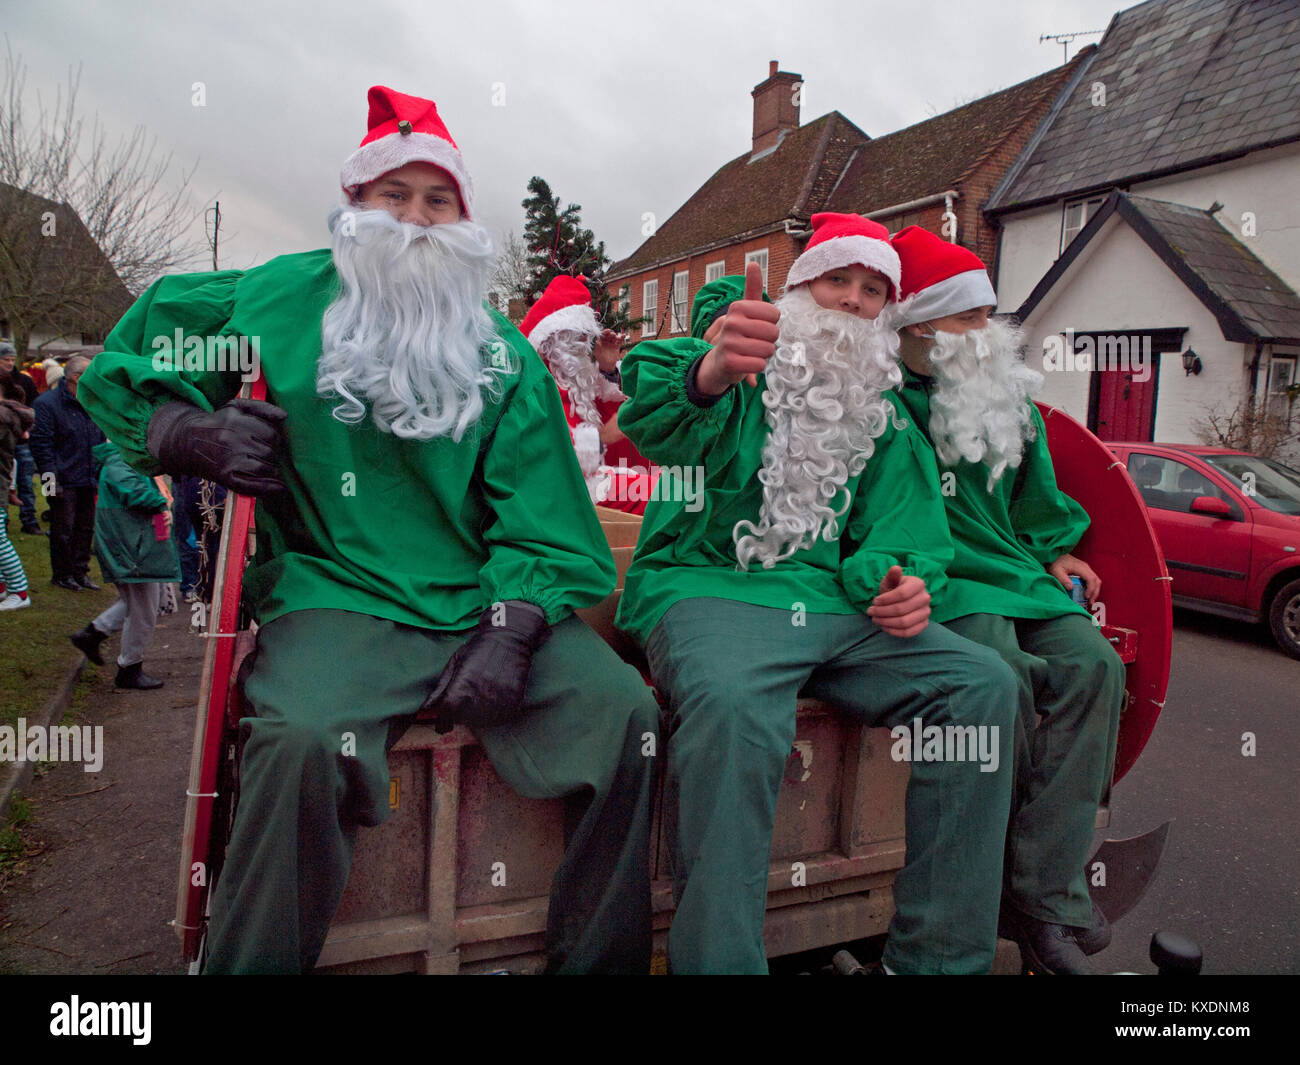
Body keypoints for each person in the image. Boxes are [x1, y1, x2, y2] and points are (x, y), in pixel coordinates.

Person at [77, 85, 657, 974]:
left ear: (462, 218)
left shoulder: (500, 350)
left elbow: (540, 509)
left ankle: (594, 960)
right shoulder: (278, 297)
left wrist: (514, 626)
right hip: (336, 595)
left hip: (479, 598)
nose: (416, 220)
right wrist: (182, 430)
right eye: (395, 196)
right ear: (355, 205)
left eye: (438, 201)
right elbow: (137, 345)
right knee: (300, 738)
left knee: (628, 716)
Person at [616, 212, 1018, 974]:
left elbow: (908, 528)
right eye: (838, 280)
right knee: (734, 708)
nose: (854, 301)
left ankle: (933, 958)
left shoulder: (885, 413)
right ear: (801, 286)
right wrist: (711, 371)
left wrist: (898, 581)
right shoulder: (740, 367)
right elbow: (660, 419)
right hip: (711, 587)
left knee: (983, 685)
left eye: (873, 290)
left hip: (833, 603)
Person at [890, 225, 1125, 974]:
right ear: (923, 322)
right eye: (968, 318)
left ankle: (1045, 893)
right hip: (944, 577)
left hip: (1017, 568)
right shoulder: (886, 398)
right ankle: (993, 883)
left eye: (989, 316)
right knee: (1001, 672)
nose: (986, 334)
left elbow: (1036, 494)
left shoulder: (1005, 400)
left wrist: (1056, 546)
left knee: (1096, 668)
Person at [520, 275, 653, 513]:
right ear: (552, 340)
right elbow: (545, 454)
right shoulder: (533, 385)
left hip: (588, 481)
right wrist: (601, 439)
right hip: (558, 492)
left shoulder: (572, 378)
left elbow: (610, 422)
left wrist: (607, 369)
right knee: (664, 495)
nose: (583, 349)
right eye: (576, 341)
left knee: (668, 487)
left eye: (585, 341)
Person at [69, 441, 179, 687]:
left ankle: (92, 634)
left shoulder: (122, 458)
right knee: (144, 611)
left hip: (130, 545)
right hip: (131, 548)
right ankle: (129, 668)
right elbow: (134, 492)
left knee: (133, 603)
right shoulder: (121, 458)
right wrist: (161, 503)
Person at [30, 355, 105, 590]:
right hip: (62, 477)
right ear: (76, 377)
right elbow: (42, 446)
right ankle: (62, 574)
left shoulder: (90, 403)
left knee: (85, 528)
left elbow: (99, 437)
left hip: (87, 476)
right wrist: (51, 485)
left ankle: (80, 572)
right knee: (63, 529)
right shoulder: (46, 404)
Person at [0, 341, 42, 535]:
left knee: (26, 479)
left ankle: (29, 518)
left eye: (11, 359)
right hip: (5, 437)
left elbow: (33, 406)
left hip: (23, 439)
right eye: (5, 359)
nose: (9, 363)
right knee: (6, 477)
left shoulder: (24, 380)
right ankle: (4, 518)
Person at [0, 395, 35, 610]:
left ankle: (19, 592)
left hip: (63, 479)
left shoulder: (3, 419)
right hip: (63, 478)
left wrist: (50, 489)